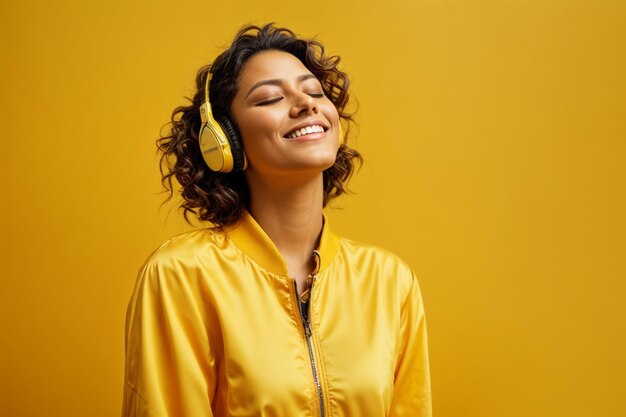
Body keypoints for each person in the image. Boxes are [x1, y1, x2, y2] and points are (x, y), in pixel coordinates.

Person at [122, 23, 432, 417]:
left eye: (315, 91)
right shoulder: (182, 274)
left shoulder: (389, 281)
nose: (306, 104)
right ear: (225, 141)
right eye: (270, 98)